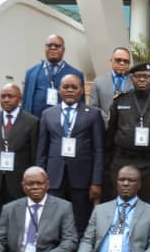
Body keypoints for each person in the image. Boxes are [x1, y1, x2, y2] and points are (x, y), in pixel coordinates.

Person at [36, 73, 104, 236]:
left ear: (81, 90)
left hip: (82, 179)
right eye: (65, 87)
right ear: (59, 90)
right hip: (54, 178)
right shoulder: (48, 114)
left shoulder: (93, 114)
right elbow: (42, 150)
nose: (70, 90)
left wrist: (96, 181)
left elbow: (99, 149)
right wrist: (39, 178)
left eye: (74, 87)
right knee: (54, 222)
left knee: (80, 223)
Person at [106, 63, 150, 209]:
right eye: (138, 76)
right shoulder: (120, 101)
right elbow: (111, 133)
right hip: (124, 159)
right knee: (123, 203)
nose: (142, 79)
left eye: (146, 76)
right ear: (131, 79)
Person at [0, 83, 39, 227]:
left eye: (10, 96)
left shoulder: (32, 122)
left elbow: (34, 156)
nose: (6, 100)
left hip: (18, 184)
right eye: (3, 96)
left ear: (20, 99)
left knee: (18, 222)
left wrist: (33, 183)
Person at [21, 34, 84, 118]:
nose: (53, 48)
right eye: (49, 45)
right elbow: (25, 102)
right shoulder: (31, 73)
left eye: (57, 46)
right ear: (45, 48)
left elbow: (81, 105)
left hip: (63, 125)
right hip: (36, 124)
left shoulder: (76, 75)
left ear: (63, 50)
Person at [87, 46, 133, 126]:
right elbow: (93, 107)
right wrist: (108, 119)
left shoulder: (135, 83)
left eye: (126, 61)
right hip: (104, 128)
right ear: (111, 61)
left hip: (128, 130)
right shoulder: (98, 82)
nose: (122, 63)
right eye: (118, 60)